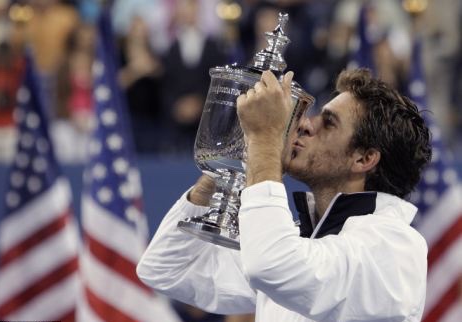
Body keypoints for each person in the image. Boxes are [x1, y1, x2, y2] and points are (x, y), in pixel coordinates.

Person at [137, 68, 432, 322]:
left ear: (363, 159)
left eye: (328, 123)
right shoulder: (302, 240)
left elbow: (271, 264)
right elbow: (165, 269)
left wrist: (264, 138)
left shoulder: (394, 247)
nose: (304, 124)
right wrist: (224, 169)